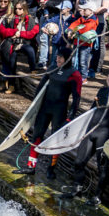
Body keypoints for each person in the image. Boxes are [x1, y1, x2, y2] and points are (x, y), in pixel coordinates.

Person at [16, 46, 81, 178]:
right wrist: (34, 106)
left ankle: (51, 168)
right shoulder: (52, 68)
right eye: (57, 56)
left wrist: (70, 117)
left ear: (67, 59)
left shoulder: (74, 74)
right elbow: (40, 88)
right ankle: (31, 166)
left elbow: (76, 98)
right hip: (45, 108)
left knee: (55, 139)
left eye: (61, 57)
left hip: (60, 110)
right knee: (37, 135)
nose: (57, 59)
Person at [70, 67, 109, 203]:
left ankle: (98, 197)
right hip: (91, 131)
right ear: (106, 79)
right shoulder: (102, 91)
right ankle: (77, 190)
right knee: (79, 162)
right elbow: (91, 112)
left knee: (102, 168)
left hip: (105, 135)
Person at [0, 0, 39, 91]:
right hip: (12, 43)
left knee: (30, 50)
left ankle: (33, 70)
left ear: (25, 9)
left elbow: (33, 32)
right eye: (16, 8)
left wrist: (21, 34)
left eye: (20, 9)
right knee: (11, 61)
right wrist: (14, 32)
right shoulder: (9, 18)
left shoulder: (32, 19)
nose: (17, 10)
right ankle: (12, 85)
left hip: (25, 43)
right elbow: (2, 30)